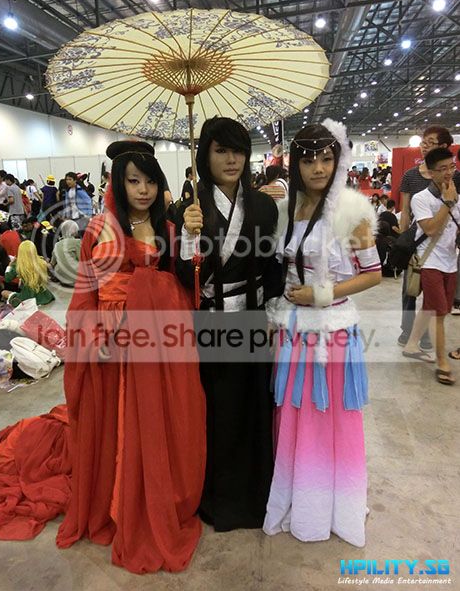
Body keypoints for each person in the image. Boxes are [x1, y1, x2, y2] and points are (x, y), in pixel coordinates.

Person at [56, 140, 206, 574]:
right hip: (113, 340)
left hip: (155, 339)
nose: (143, 190)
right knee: (117, 423)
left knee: (153, 421)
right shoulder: (99, 227)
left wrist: (191, 240)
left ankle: (149, 493)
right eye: (134, 181)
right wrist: (92, 336)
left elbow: (183, 281)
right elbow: (87, 291)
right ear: (118, 184)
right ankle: (116, 499)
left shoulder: (169, 227)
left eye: (150, 181)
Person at [263, 120, 381, 547]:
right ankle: (299, 497)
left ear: (338, 160)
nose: (318, 168)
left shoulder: (352, 210)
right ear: (295, 164)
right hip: (294, 328)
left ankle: (333, 505)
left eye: (326, 158)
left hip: (332, 331)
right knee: (295, 414)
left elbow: (373, 273)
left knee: (328, 415)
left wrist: (322, 293)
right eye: (309, 159)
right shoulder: (286, 210)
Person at [177, 117, 279, 532]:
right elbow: (181, 277)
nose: (231, 159)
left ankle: (257, 494)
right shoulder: (190, 208)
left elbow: (272, 266)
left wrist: (272, 313)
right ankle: (217, 496)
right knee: (218, 410)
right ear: (205, 155)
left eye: (238, 150)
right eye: (221, 150)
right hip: (211, 320)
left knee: (254, 405)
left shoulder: (264, 206)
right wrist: (188, 236)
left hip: (254, 317)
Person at [398, 126, 460, 349]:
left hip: (445, 245)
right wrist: (403, 241)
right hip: (417, 240)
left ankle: (423, 337)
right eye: (423, 142)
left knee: (435, 299)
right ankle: (408, 331)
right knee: (411, 289)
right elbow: (405, 210)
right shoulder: (411, 175)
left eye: (430, 143)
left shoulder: (453, 176)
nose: (424, 146)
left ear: (443, 146)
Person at [2, 240, 55, 306]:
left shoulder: (18, 266)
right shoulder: (42, 262)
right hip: (43, 296)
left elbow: (7, 279)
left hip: (27, 297)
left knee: (3, 292)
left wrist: (9, 266)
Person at [50, 220, 81, 287]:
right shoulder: (77, 242)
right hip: (76, 278)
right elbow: (82, 259)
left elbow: (52, 263)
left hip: (62, 278)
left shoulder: (57, 244)